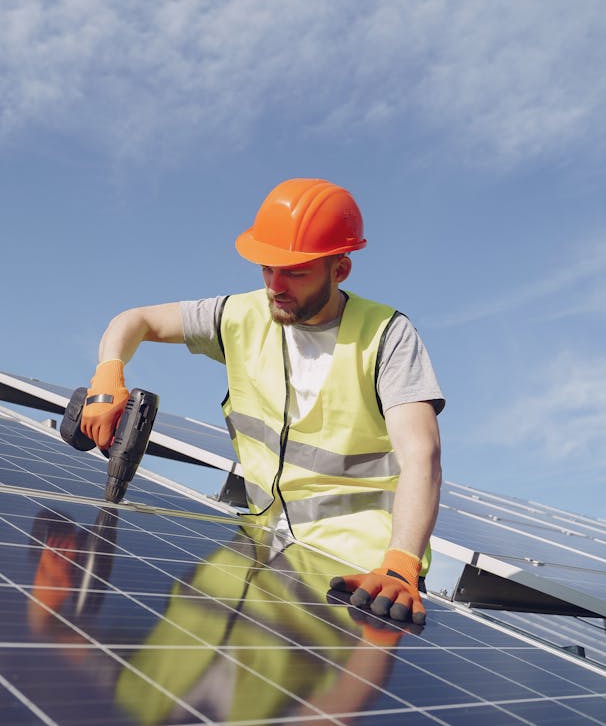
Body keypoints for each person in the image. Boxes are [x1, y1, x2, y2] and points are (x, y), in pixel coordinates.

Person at [79, 177, 444, 625]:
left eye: (295, 271)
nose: (276, 285)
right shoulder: (240, 316)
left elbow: (421, 455)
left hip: (362, 575)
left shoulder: (387, 335)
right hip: (266, 549)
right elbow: (135, 320)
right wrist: (107, 374)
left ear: (340, 270)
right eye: (267, 268)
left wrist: (400, 564)